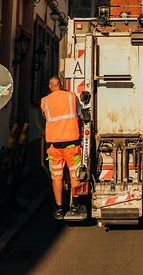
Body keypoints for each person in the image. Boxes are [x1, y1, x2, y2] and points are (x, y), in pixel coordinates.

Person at [41, 75, 84, 219]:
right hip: (71, 145)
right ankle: (75, 206)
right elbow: (80, 114)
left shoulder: (45, 101)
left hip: (54, 147)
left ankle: (59, 208)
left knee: (57, 177)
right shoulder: (71, 97)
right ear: (61, 84)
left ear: (50, 86)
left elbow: (45, 117)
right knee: (75, 175)